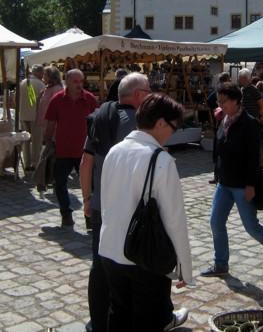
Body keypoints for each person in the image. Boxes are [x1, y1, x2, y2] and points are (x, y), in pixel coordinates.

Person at [98, 93, 191, 331]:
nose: (172, 133)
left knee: (118, 313)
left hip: (110, 249)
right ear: (160, 123)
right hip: (145, 256)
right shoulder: (161, 160)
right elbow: (174, 219)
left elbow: (107, 201)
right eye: (173, 127)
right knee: (146, 320)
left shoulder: (115, 151)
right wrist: (184, 268)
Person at [80, 73, 151, 332]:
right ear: (138, 95)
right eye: (149, 90)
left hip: (100, 206)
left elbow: (85, 162)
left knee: (99, 265)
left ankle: (98, 322)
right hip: (125, 208)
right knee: (130, 265)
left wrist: (87, 199)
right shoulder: (137, 125)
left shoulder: (101, 117)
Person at [201, 83, 263, 279]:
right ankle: (221, 263)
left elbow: (253, 158)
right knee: (216, 222)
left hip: (243, 184)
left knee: (252, 227)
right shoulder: (224, 119)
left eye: (224, 101)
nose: (220, 104)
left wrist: (250, 185)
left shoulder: (248, 124)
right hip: (225, 182)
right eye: (219, 101)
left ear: (235, 100)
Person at [44, 69, 98, 227]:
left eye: (81, 81)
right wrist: (47, 141)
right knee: (59, 183)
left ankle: (90, 217)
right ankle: (66, 213)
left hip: (85, 151)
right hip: (63, 149)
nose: (79, 85)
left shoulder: (89, 99)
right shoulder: (57, 99)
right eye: (75, 81)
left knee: (90, 186)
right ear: (66, 81)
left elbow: (97, 122)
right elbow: (51, 123)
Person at [19, 64, 45, 170]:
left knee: (25, 141)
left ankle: (27, 163)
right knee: (36, 141)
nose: (43, 75)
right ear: (38, 72)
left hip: (24, 115)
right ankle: (35, 163)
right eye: (42, 73)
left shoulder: (23, 82)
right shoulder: (41, 84)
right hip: (36, 117)